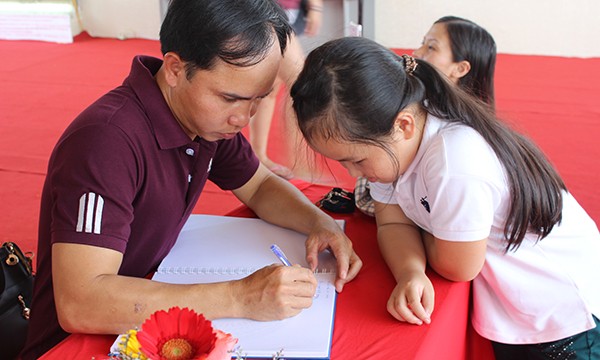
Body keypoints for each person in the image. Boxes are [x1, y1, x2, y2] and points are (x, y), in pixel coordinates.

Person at [20, 1, 362, 358]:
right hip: (76, 345)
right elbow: (81, 302)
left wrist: (320, 223)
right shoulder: (105, 142)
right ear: (175, 69)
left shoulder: (204, 122)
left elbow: (259, 185)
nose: (243, 118)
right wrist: (239, 296)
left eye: (260, 99)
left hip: (150, 311)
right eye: (231, 98)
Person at [291, 36, 600, 359]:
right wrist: (410, 271)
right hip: (518, 305)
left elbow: (459, 265)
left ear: (404, 125)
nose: (353, 174)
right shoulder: (391, 147)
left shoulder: (454, 161)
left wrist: (418, 233)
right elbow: (392, 221)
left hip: (564, 316)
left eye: (356, 160)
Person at [355, 16, 496, 216]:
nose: (417, 53)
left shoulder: (460, 144)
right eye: (423, 43)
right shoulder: (417, 101)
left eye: (431, 47)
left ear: (461, 68)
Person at [248, 0, 324, 180]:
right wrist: (315, 6)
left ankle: (259, 157)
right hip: (265, 10)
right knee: (299, 83)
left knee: (271, 86)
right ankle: (301, 164)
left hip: (279, 12)